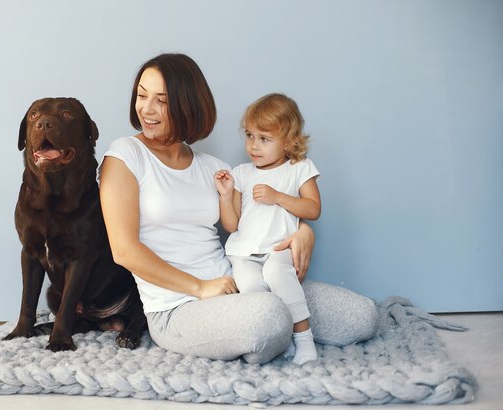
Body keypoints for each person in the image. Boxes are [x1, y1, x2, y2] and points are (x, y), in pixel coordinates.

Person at [99, 53, 378, 365]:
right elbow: (123, 250)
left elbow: (257, 219)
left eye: (161, 100)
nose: (146, 109)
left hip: (242, 281)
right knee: (270, 316)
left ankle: (271, 331)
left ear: (188, 104)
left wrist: (304, 232)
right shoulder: (125, 155)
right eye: (142, 95)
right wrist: (200, 287)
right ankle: (270, 332)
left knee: (361, 316)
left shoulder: (215, 169)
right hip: (176, 308)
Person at [214, 93, 320, 364]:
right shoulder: (242, 173)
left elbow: (313, 209)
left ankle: (304, 339)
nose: (254, 146)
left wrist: (279, 197)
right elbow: (231, 224)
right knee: (251, 289)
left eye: (264, 139)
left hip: (279, 247)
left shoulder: (298, 168)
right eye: (250, 136)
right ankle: (276, 338)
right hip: (244, 252)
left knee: (276, 273)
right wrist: (226, 195)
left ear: (289, 141)